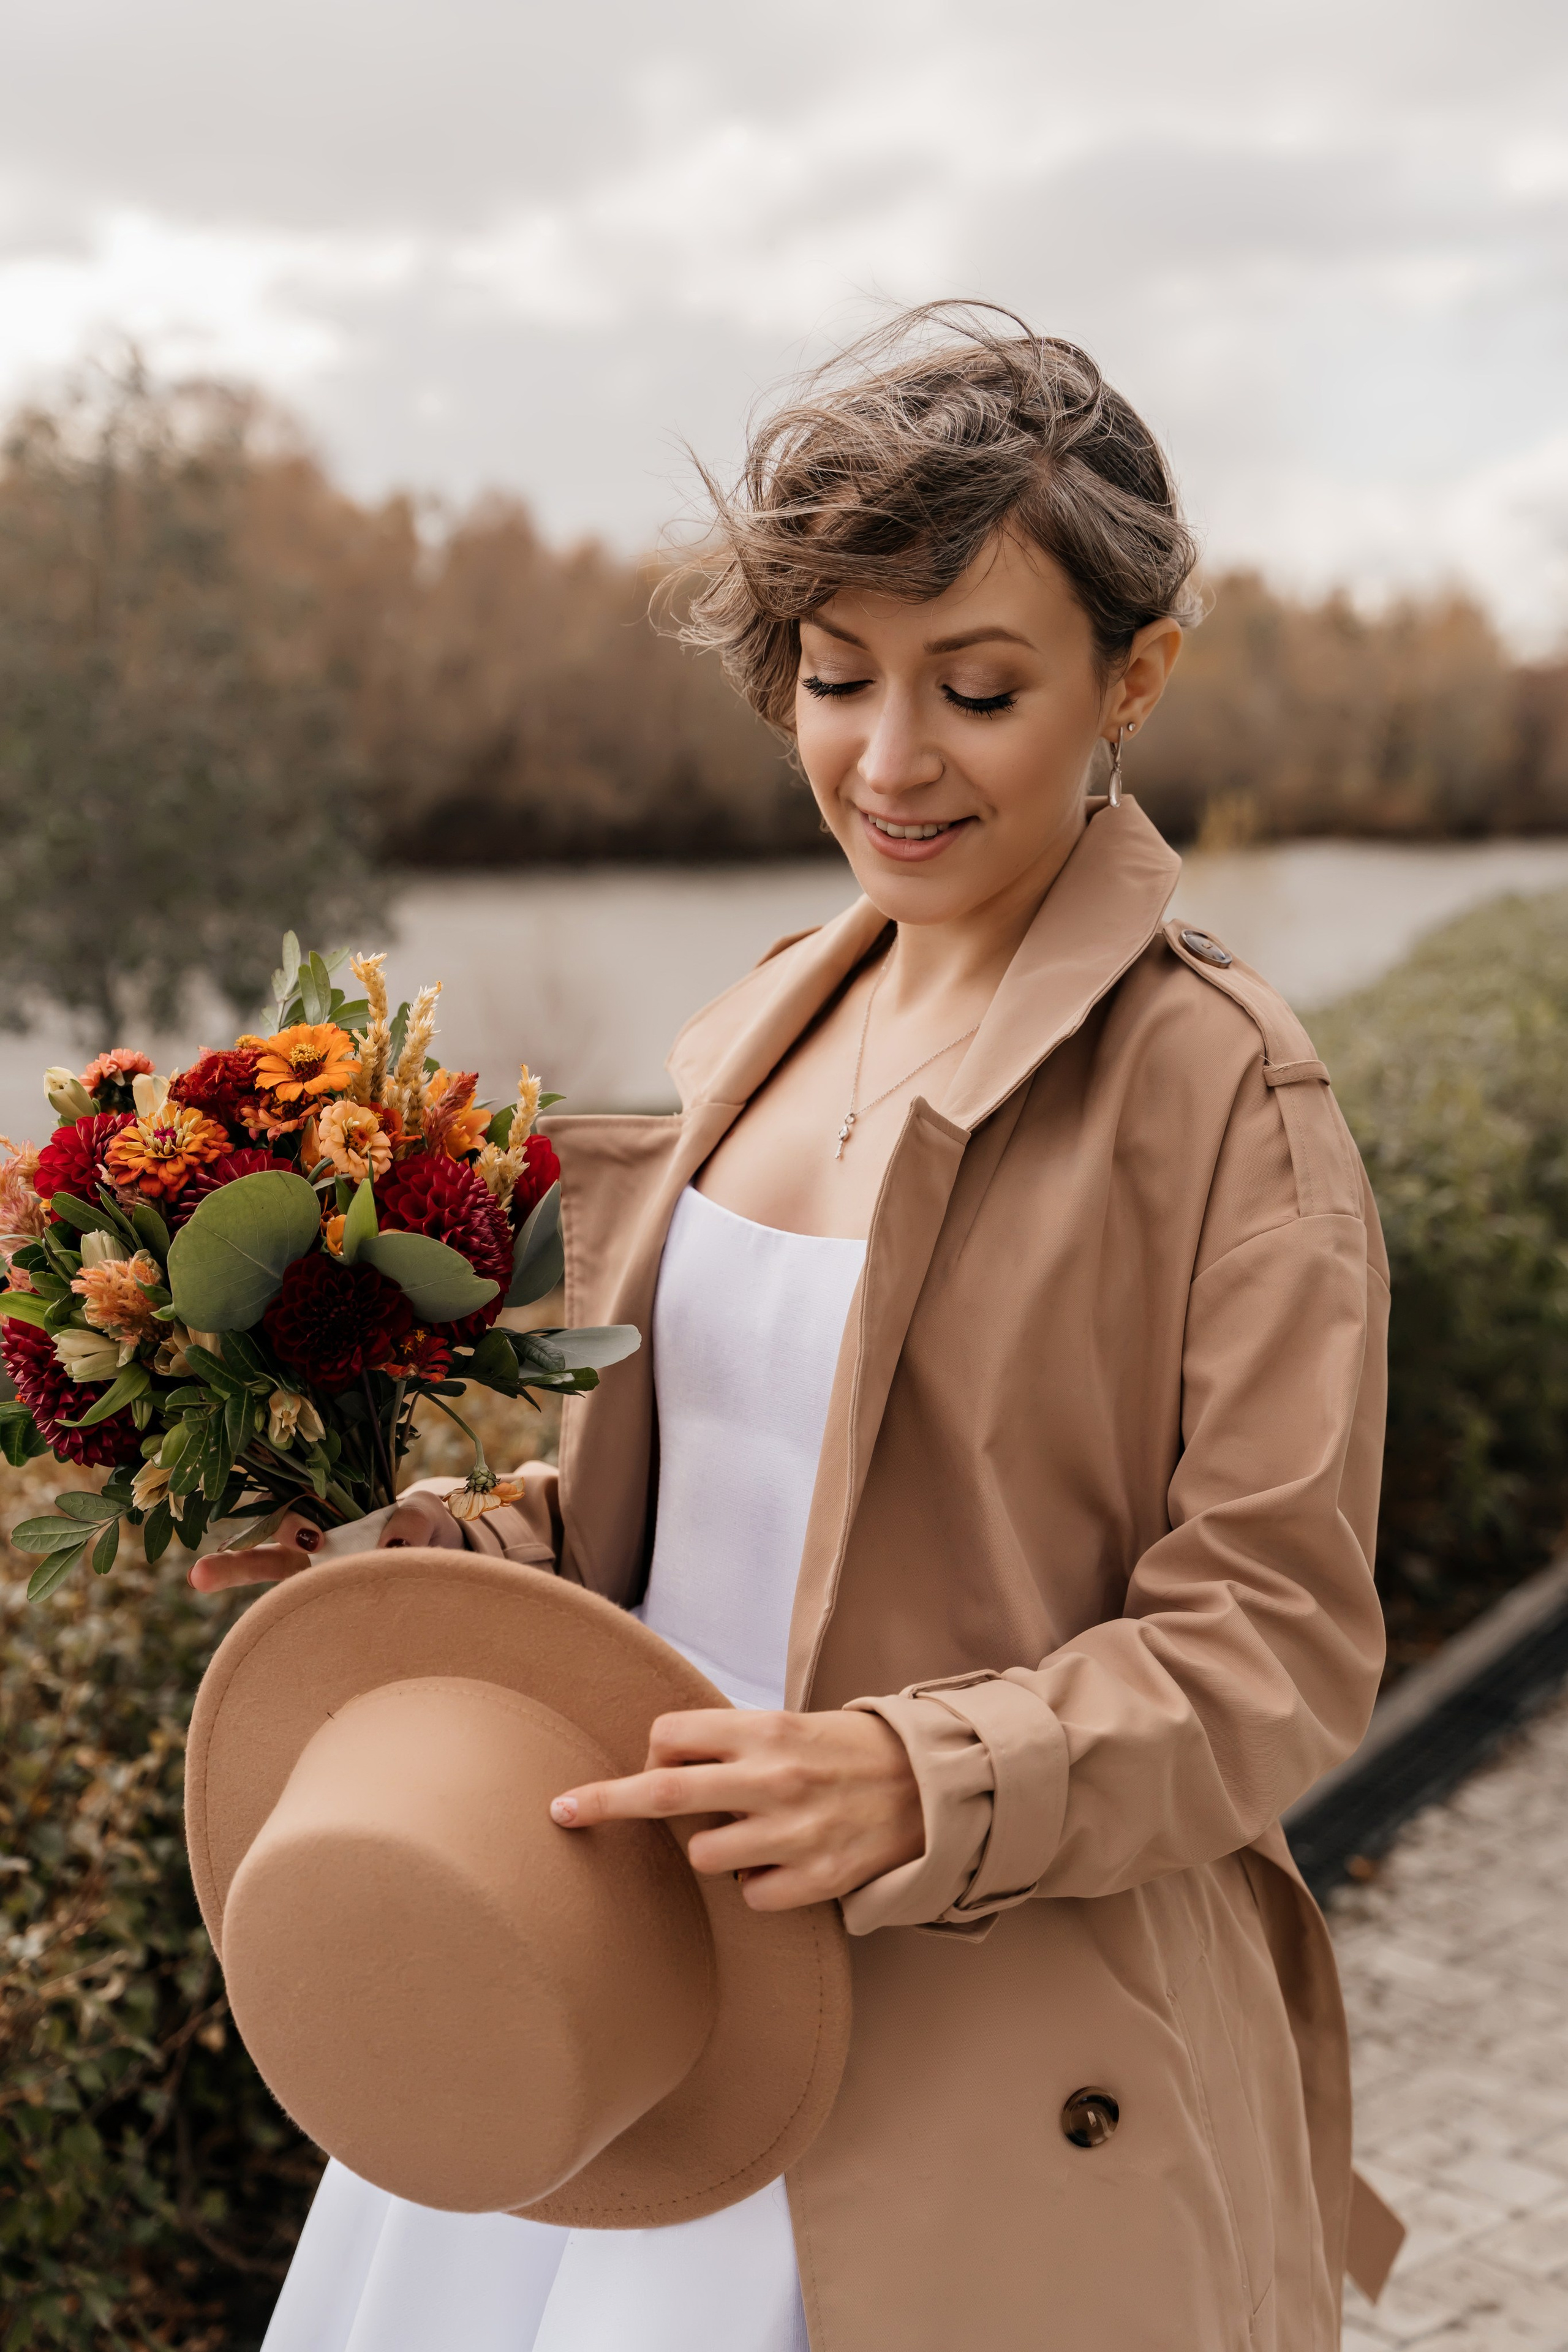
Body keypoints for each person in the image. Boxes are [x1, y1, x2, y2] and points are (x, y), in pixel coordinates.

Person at [202, 304, 1388, 2352]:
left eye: (981, 689)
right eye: (838, 680)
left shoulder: (1220, 1092)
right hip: (620, 1992)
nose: (891, 759)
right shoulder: (771, 1014)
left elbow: (1278, 1644)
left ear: (1136, 678)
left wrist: (921, 1783)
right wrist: (423, 1572)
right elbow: (683, 1518)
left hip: (961, 2054)